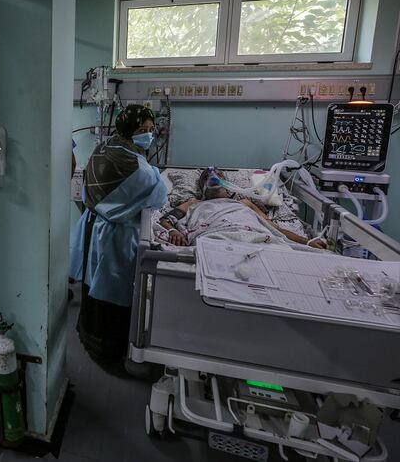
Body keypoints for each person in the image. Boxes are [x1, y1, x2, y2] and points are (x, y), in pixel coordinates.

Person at [69, 104, 168, 372]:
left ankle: (91, 341)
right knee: (112, 295)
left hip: (95, 227)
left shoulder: (105, 148)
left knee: (93, 289)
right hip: (116, 237)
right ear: (127, 129)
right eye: (141, 130)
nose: (147, 135)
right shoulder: (138, 167)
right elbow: (159, 196)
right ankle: (109, 356)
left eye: (150, 130)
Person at [160, 168, 326, 249]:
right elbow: (166, 219)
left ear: (228, 184)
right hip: (213, 237)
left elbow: (275, 229)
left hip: (254, 238)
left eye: (220, 175)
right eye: (207, 176)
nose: (214, 176)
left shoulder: (245, 202)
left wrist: (307, 241)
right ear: (202, 185)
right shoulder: (193, 202)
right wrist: (173, 231)